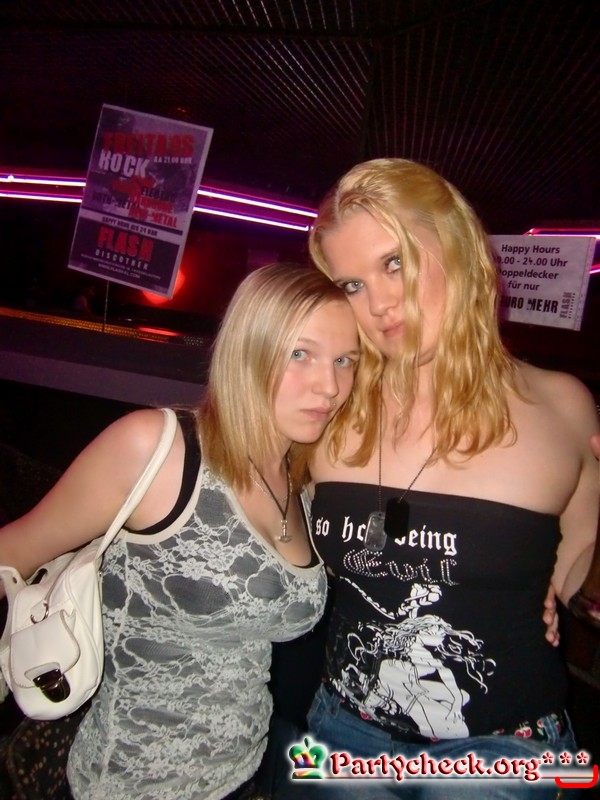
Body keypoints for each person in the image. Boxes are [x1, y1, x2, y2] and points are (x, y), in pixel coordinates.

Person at [285, 158, 599, 798]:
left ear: (456, 245)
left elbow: (581, 581)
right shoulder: (331, 407)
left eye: (395, 263)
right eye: (351, 284)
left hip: (505, 747)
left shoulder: (560, 406)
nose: (379, 304)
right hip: (342, 729)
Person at [0, 262, 360, 800]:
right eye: (299, 354)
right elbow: (13, 549)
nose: (330, 386)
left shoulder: (301, 483)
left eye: (345, 360)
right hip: (128, 784)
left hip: (242, 774)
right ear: (247, 350)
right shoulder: (160, 450)